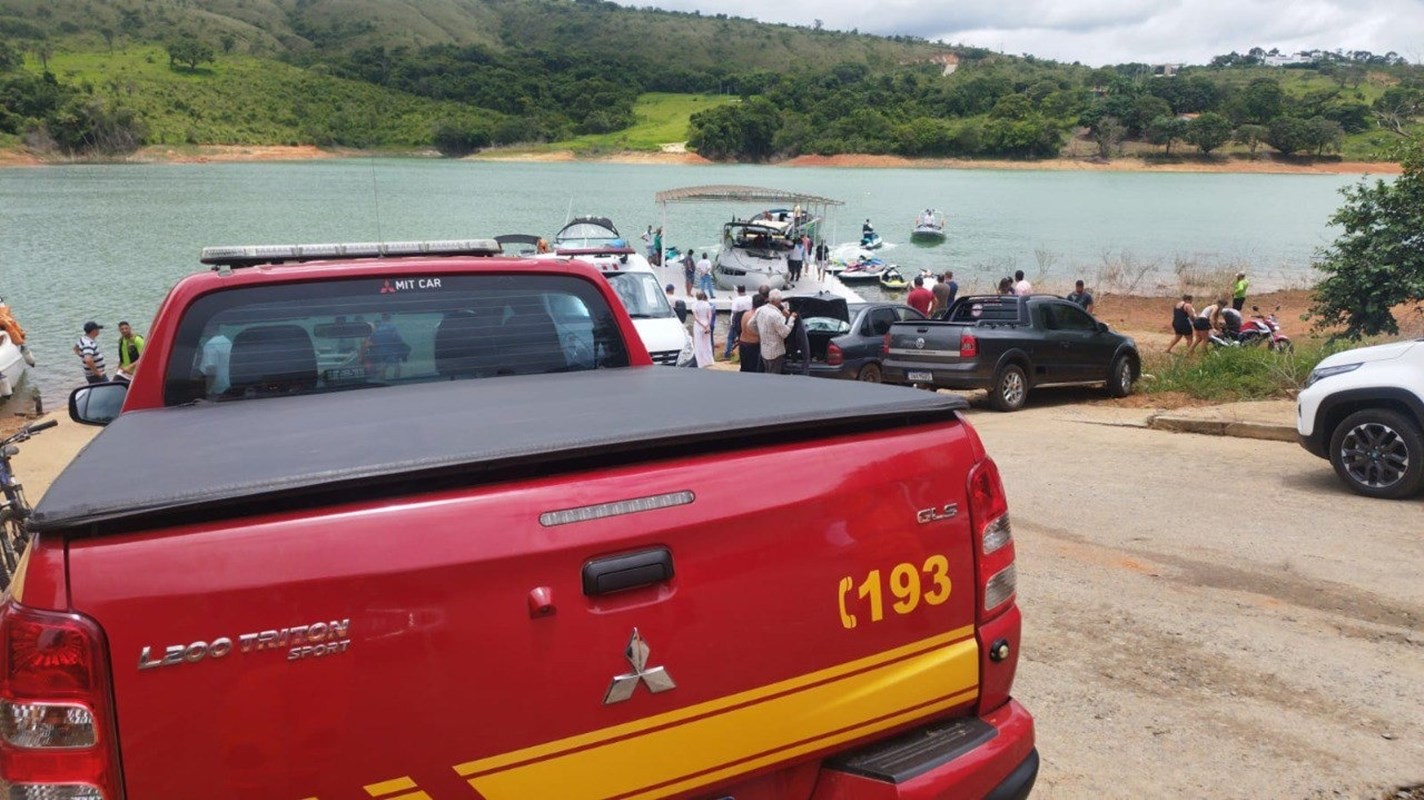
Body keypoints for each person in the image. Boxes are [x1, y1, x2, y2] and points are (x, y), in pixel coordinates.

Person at [754, 289, 795, 375]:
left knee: (767, 372)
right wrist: (792, 319)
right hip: (775, 352)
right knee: (774, 376)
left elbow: (750, 324)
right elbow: (785, 333)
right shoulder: (775, 315)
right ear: (779, 301)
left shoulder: (760, 310)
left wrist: (761, 332)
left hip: (764, 350)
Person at [367, 312, 410, 379]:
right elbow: (398, 338)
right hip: (391, 351)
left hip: (380, 351)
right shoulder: (392, 326)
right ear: (389, 317)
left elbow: (371, 339)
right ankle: (397, 381)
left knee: (383, 368)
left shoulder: (377, 326)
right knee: (397, 367)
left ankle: (382, 382)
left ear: (382, 317)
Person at [199, 324, 233, 396]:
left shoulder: (210, 345)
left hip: (216, 392)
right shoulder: (227, 341)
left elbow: (211, 370)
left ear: (210, 326)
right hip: (227, 389)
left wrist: (206, 392)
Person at [739, 294, 765, 372]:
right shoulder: (757, 316)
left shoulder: (745, 314)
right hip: (753, 345)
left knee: (744, 367)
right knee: (754, 369)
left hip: (743, 343)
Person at [726, 285, 752, 359]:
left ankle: (727, 354)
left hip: (737, 321)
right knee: (744, 338)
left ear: (738, 291)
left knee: (730, 338)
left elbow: (734, 311)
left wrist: (733, 323)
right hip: (747, 320)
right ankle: (744, 354)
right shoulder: (750, 298)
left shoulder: (736, 300)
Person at [692, 291, 715, 367]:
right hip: (706, 323)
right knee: (707, 343)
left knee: (698, 343)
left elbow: (696, 318)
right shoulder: (707, 304)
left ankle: (700, 362)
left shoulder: (694, 305)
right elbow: (710, 316)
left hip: (699, 325)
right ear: (703, 296)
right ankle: (709, 360)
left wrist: (702, 325)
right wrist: (707, 325)